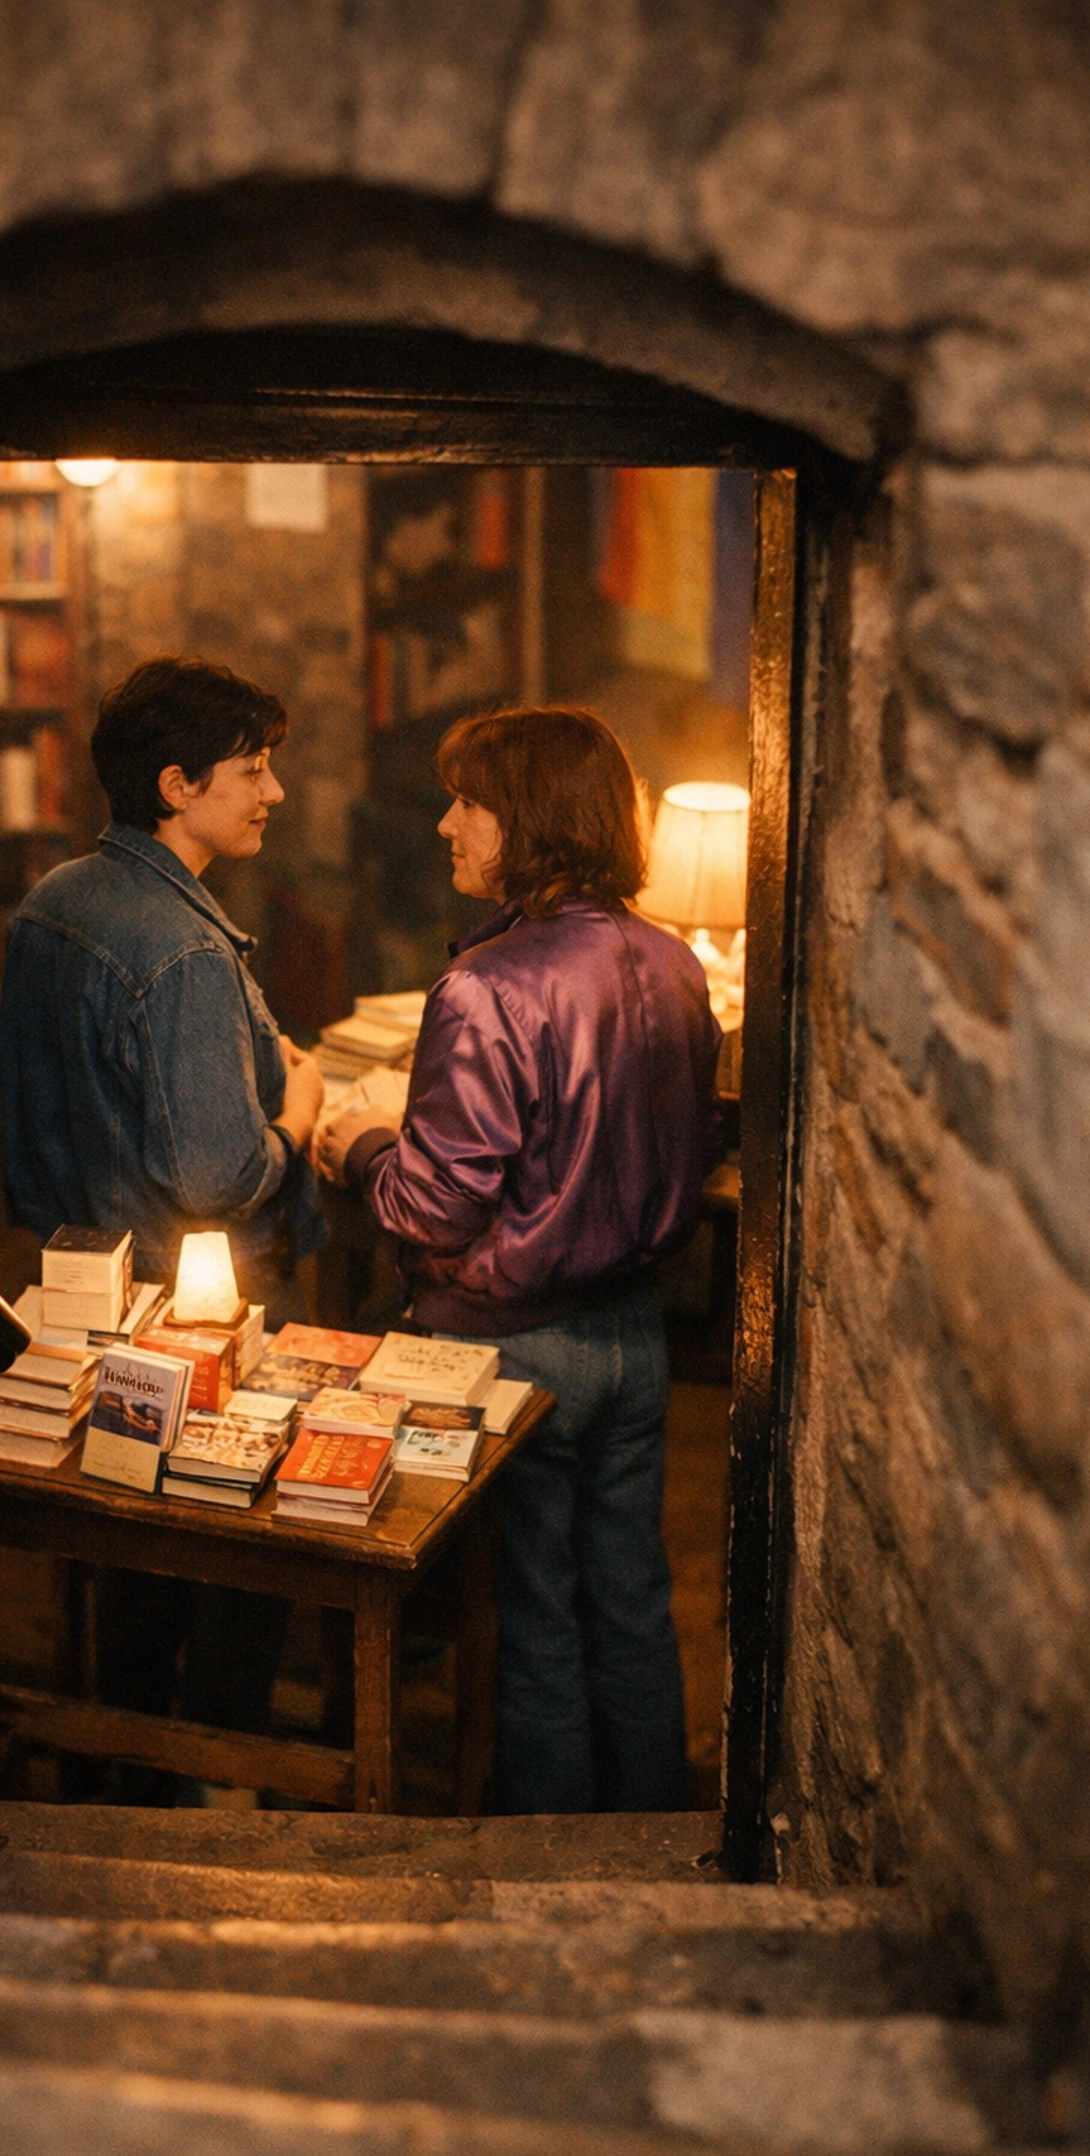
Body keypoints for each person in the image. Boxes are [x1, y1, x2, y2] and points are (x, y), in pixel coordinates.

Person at [319, 707, 721, 1814]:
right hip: (633, 1339)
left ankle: (552, 1872)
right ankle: (654, 1852)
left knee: (534, 1613)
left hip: (513, 1350)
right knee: (633, 1600)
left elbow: (436, 1205)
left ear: (529, 821)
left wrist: (353, 1147)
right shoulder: (675, 963)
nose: (448, 823)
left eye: (470, 803)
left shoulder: (489, 986)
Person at [0, 655, 327, 1799]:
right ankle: (208, 1797)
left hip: (81, 1299)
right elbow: (216, 1172)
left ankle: (123, 1784)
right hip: (200, 1312)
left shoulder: (53, 903)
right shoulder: (182, 947)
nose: (272, 792)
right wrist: (296, 1115)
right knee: (239, 1559)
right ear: (177, 786)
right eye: (253, 770)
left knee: (132, 1566)